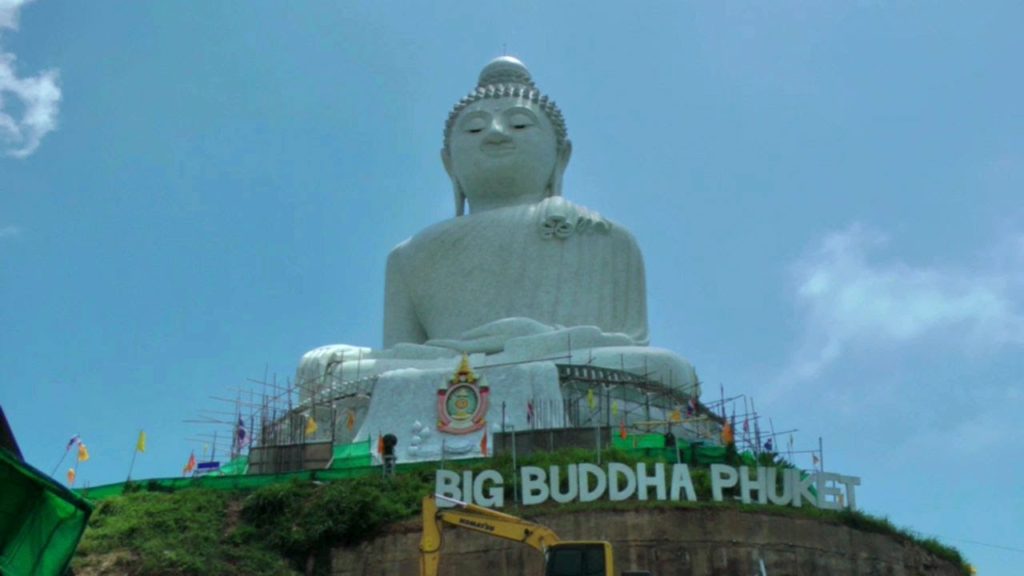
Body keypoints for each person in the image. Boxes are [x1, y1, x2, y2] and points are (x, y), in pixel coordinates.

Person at [383, 57, 648, 353]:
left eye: (519, 124)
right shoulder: (410, 256)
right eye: (474, 129)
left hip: (566, 375)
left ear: (561, 156)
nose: (496, 132)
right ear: (449, 163)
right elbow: (399, 359)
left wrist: (541, 343)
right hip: (449, 384)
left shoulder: (604, 238)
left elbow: (632, 351)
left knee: (669, 367)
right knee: (328, 367)